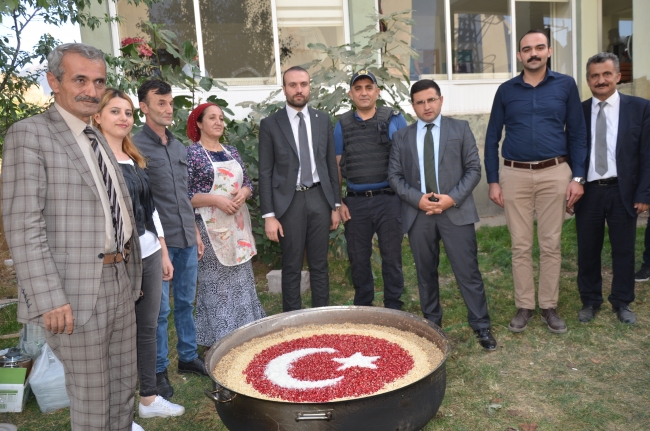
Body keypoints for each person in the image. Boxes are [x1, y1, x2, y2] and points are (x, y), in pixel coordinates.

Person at [2, 43, 143, 430]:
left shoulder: (95, 137)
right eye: (80, 79)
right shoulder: (29, 135)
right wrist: (49, 297)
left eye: (99, 81)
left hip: (119, 281)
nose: (92, 90)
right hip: (73, 293)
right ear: (54, 82)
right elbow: (23, 224)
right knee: (94, 397)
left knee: (122, 389)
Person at [484, 29, 588, 334]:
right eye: (527, 49)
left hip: (555, 172)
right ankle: (525, 306)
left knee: (551, 243)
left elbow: (579, 134)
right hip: (514, 174)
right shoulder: (505, 90)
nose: (533, 53)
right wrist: (493, 180)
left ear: (548, 51)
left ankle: (549, 306)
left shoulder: (566, 86)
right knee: (520, 244)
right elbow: (491, 138)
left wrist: (577, 177)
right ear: (519, 55)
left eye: (539, 47)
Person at [93, 89, 186, 419]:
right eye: (115, 111)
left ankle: (148, 399)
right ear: (97, 116)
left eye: (128, 112)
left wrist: (161, 251)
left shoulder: (134, 158)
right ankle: (119, 415)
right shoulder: (93, 160)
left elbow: (151, 209)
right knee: (117, 338)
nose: (123, 118)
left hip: (147, 254)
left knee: (147, 329)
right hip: (118, 261)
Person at [388, 79, 497, 351]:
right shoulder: (402, 137)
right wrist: (419, 200)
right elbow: (395, 176)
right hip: (419, 214)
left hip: (455, 212)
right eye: (420, 102)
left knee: (467, 271)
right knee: (425, 274)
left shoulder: (460, 129)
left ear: (440, 99)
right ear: (412, 106)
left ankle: (481, 326)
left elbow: (473, 169)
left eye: (431, 99)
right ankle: (432, 326)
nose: (427, 106)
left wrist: (450, 199)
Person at [133, 80, 208, 401]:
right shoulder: (134, 146)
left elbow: (184, 195)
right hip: (156, 244)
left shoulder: (179, 148)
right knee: (159, 311)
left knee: (186, 303)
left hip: (186, 238)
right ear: (144, 107)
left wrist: (195, 231)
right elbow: (142, 204)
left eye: (170, 103)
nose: (168, 109)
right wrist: (161, 248)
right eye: (160, 103)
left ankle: (188, 357)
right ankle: (159, 369)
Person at [258, 66, 342, 312]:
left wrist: (335, 205)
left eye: (303, 84)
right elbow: (265, 172)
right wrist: (269, 216)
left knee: (319, 265)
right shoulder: (271, 124)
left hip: (319, 198)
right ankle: (293, 322)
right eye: (292, 85)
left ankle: (320, 317)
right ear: (284, 89)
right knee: (292, 265)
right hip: (289, 202)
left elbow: (329, 165)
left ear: (309, 87)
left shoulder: (322, 120)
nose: (298, 90)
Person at [575, 52, 650, 324]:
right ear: (588, 80)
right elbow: (571, 152)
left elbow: (647, 155)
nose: (601, 80)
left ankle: (622, 302)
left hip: (624, 191)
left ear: (618, 76)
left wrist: (644, 193)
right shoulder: (579, 111)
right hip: (589, 191)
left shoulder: (640, 108)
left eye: (607, 74)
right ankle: (590, 301)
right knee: (587, 249)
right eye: (595, 75)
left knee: (624, 249)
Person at [185, 103, 266, 345]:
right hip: (210, 229)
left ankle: (246, 333)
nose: (219, 122)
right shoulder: (193, 155)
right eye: (212, 118)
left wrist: (244, 193)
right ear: (199, 123)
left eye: (221, 118)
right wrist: (216, 200)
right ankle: (221, 338)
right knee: (217, 287)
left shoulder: (231, 151)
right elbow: (186, 195)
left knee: (241, 282)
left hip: (237, 227)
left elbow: (249, 183)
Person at [335, 70, 407, 309]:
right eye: (358, 88)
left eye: (369, 87)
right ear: (350, 94)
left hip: (389, 199)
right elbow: (336, 165)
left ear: (377, 91)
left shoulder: (394, 118)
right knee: (358, 259)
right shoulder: (342, 124)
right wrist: (339, 202)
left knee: (392, 256)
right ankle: (364, 307)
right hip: (355, 203)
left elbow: (407, 160)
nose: (363, 92)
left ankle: (393, 306)